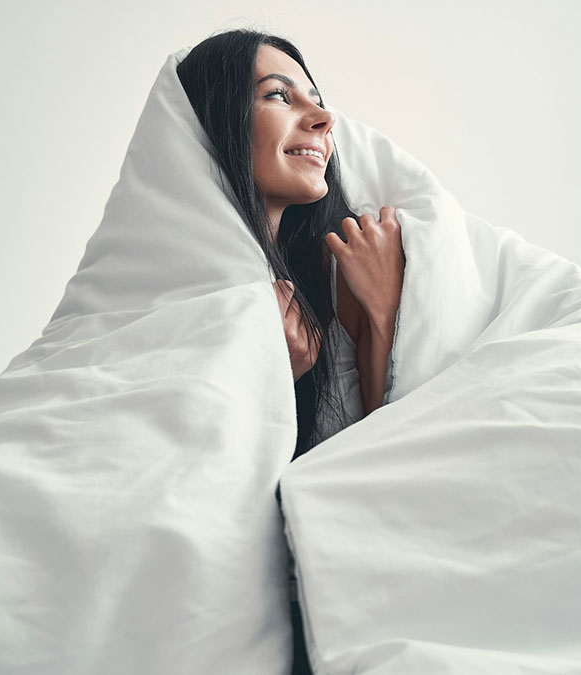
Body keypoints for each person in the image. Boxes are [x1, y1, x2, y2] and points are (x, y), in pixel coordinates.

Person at [177, 29, 405, 674]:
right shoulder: (186, 287)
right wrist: (267, 381)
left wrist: (382, 314)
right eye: (279, 95)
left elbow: (375, 473)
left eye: (318, 99)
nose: (323, 116)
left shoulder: (327, 281)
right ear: (217, 120)